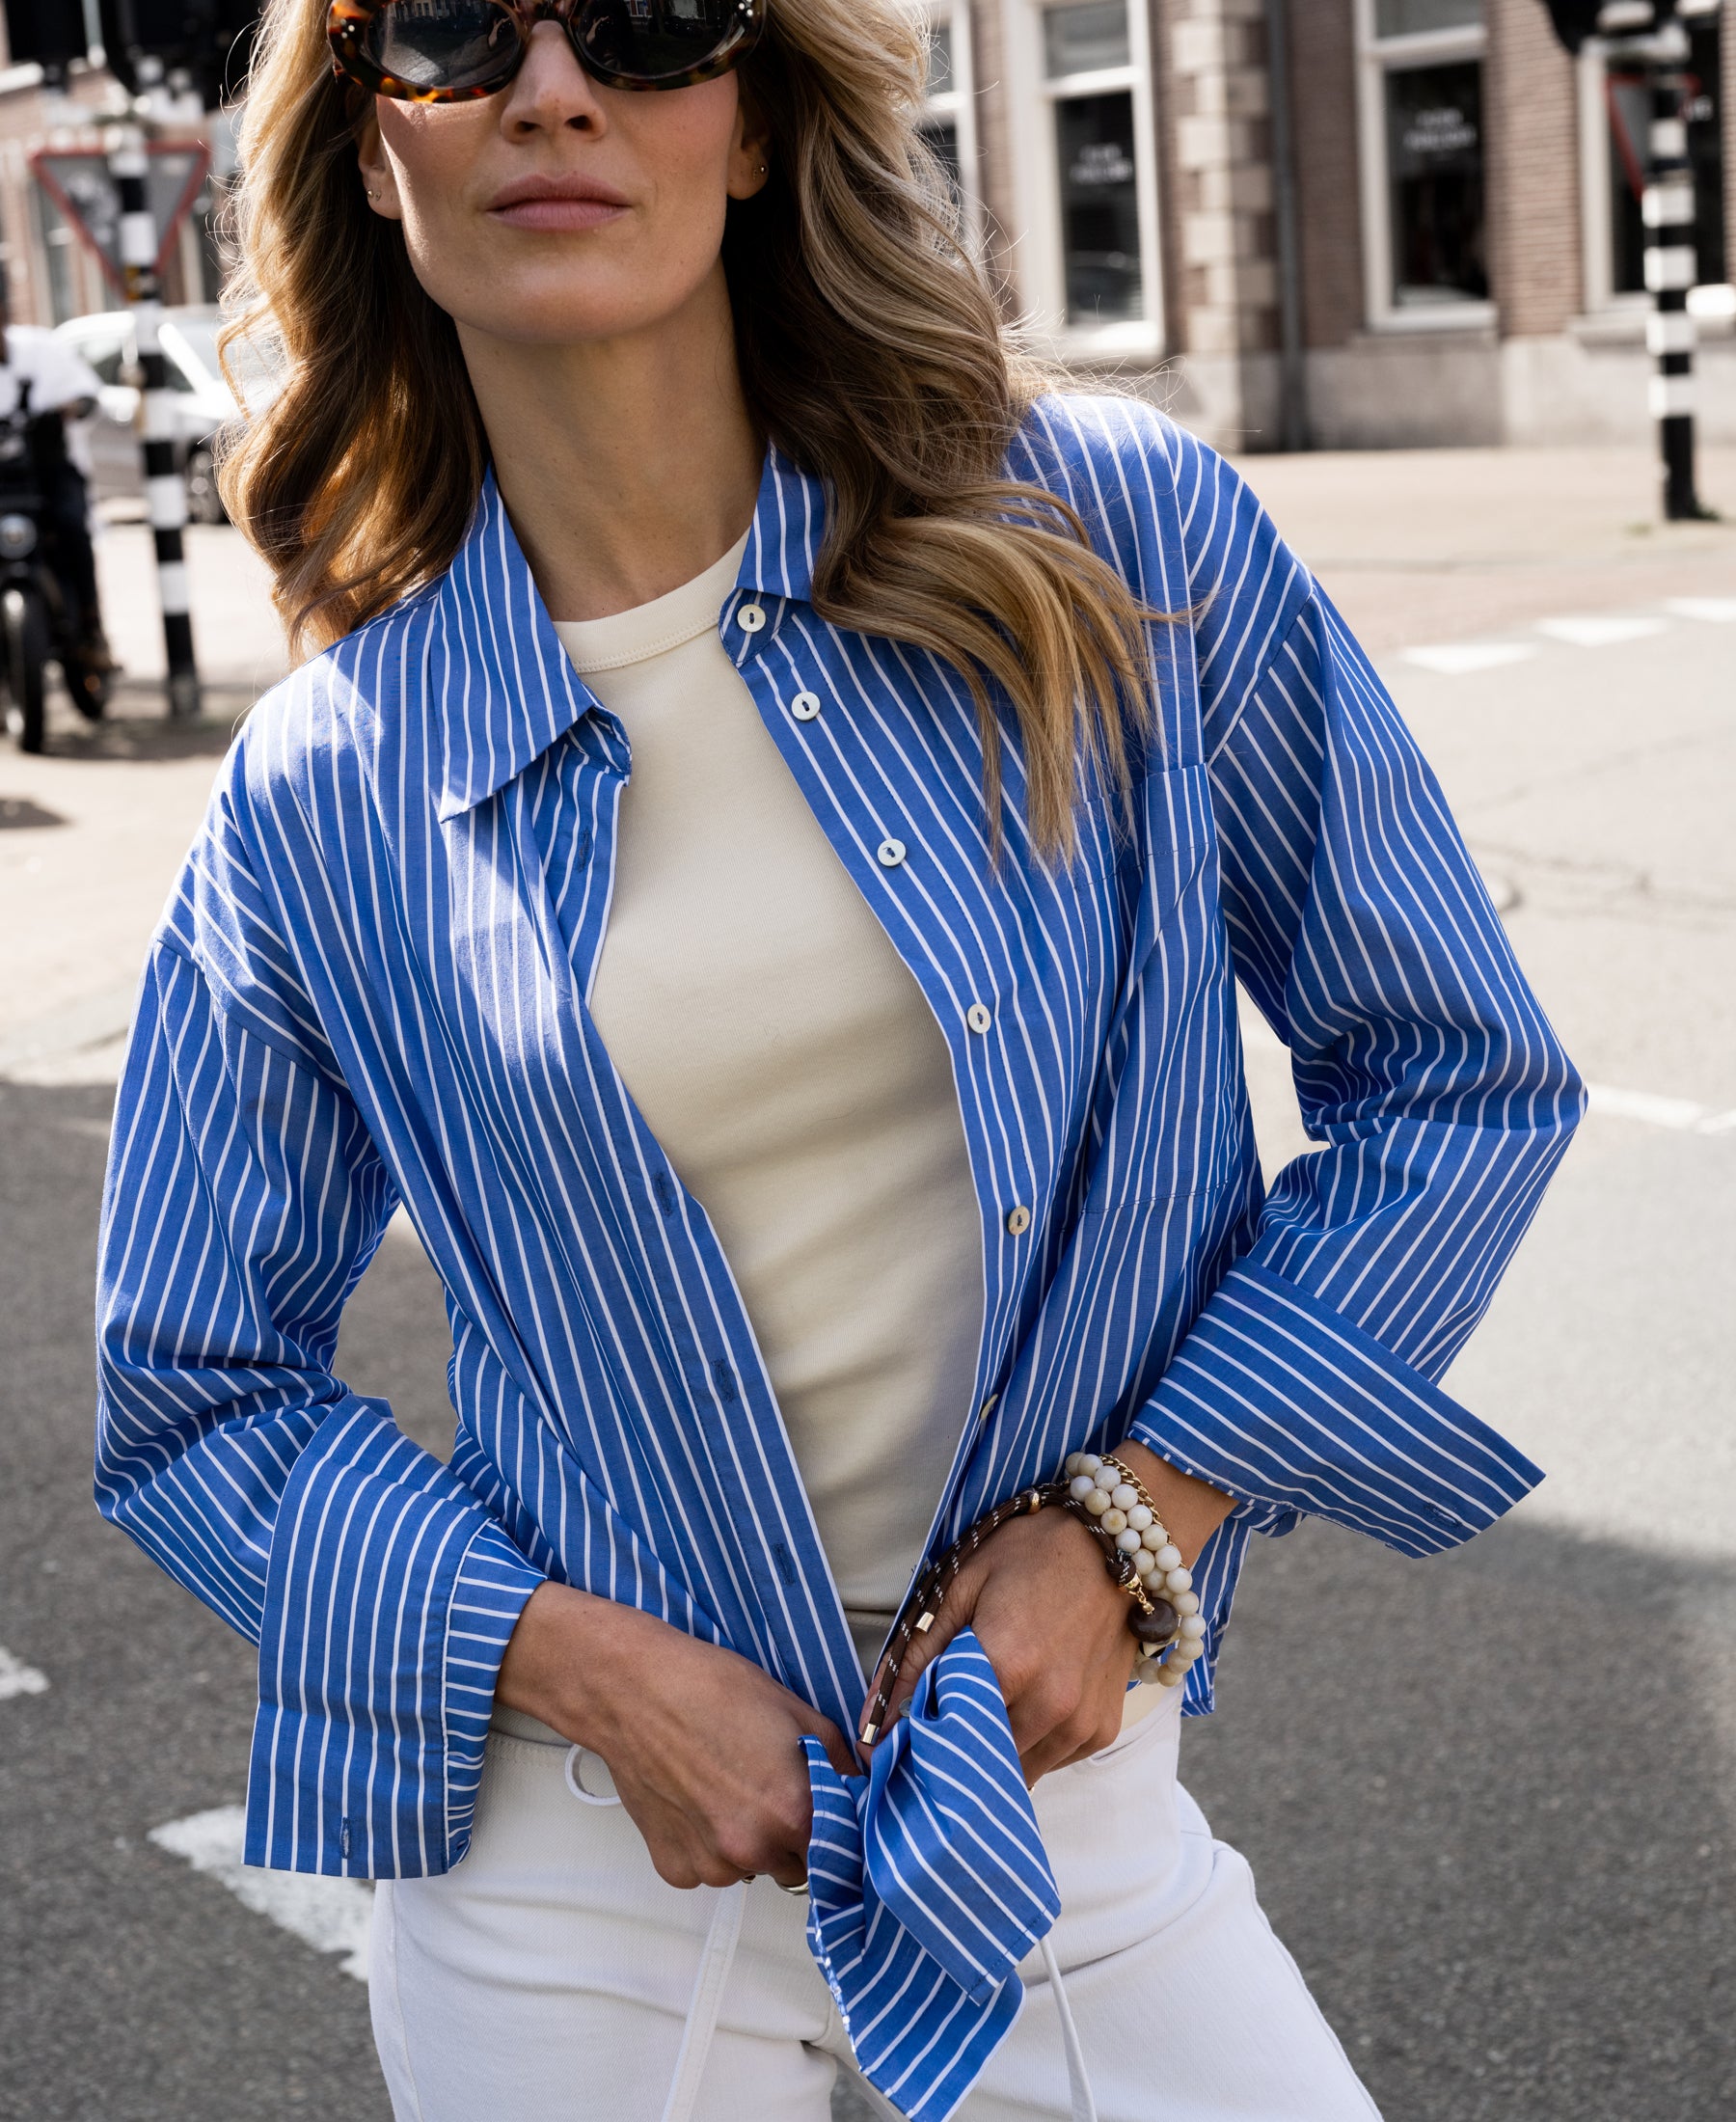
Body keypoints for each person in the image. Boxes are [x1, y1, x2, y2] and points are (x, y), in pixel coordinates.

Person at [94, 0, 1584, 2115]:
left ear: (761, 124)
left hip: (1056, 1814)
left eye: (649, 19)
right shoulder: (325, 788)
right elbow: (189, 1386)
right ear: (362, 146)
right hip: (585, 1876)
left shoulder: (1107, 543)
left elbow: (1454, 1073)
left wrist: (1132, 1521)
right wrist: (591, 1676)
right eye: (446, 27)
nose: (551, 86)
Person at [0, 290, 115, 704]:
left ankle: (90, 627)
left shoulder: (42, 351)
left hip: (47, 476)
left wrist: (73, 407)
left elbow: (88, 398)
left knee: (71, 526)